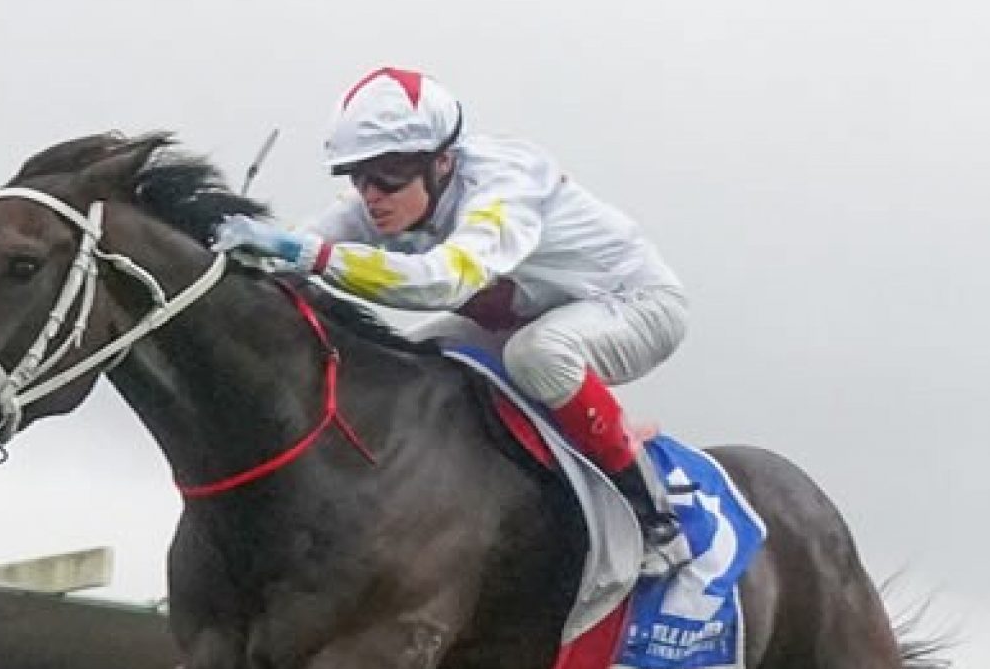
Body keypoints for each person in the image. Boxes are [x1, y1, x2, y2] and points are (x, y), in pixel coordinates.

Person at [213, 67, 689, 553]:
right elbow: (307, 241)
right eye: (358, 176)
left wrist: (308, 256)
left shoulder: (505, 184)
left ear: (442, 162)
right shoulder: (387, 194)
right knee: (406, 364)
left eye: (388, 174)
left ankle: (646, 506)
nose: (372, 193)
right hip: (526, 316)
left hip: (637, 304)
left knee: (537, 354)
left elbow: (443, 280)